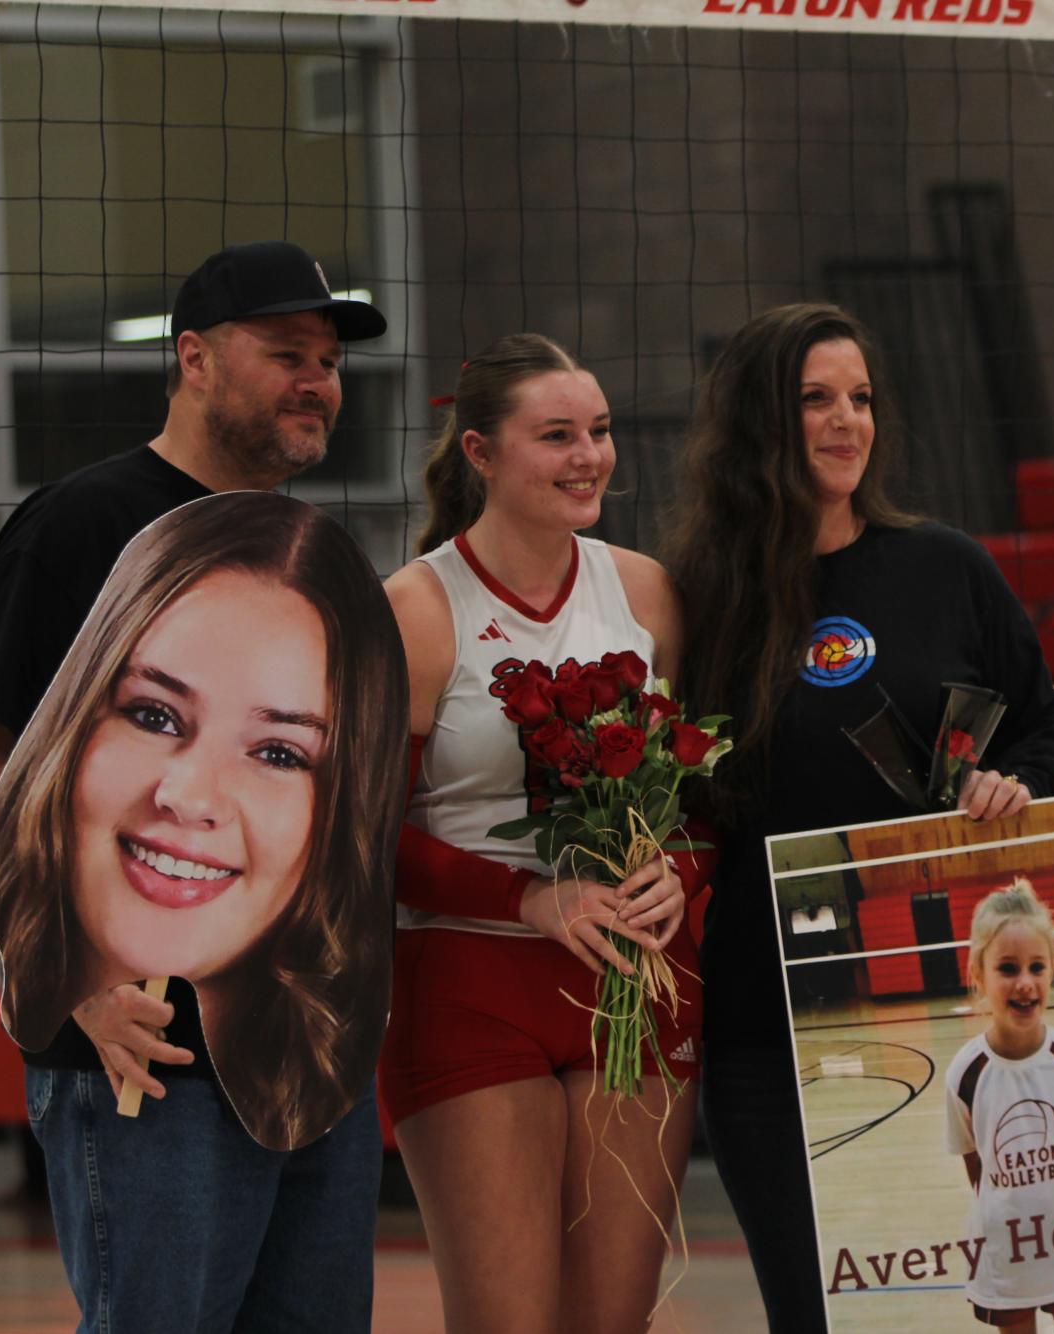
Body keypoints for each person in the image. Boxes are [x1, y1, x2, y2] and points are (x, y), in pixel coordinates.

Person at [0, 241, 392, 1331]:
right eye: (287, 352)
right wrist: (66, 965)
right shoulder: (82, 523)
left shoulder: (317, 555)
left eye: (328, 360)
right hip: (144, 1055)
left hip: (309, 1057)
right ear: (192, 358)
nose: (317, 381)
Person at [661, 301, 1054, 1331]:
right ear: (764, 418)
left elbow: (1044, 722)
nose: (846, 420)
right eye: (815, 399)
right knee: (824, 1317)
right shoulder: (701, 596)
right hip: (769, 1025)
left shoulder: (946, 567)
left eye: (860, 398)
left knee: (953, 1309)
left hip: (933, 1000)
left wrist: (1012, 782)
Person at [380, 333, 701, 1334]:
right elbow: (361, 835)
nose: (588, 455)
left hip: (632, 982)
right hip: (475, 980)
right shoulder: (416, 609)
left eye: (597, 432)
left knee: (613, 1322)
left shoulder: (645, 591)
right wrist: (524, 894)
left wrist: (682, 872)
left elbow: (692, 793)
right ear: (478, 452)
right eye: (556, 434)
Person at [0, 492, 404, 1152]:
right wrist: (77, 986)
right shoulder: (64, 530)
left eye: (278, 753)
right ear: (72, 726)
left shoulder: (323, 1068)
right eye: (153, 716)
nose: (189, 797)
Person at [944, 881, 1054, 1332]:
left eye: (1037, 966)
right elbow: (976, 1165)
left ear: (1053, 969)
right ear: (978, 974)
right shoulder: (965, 1074)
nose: (1025, 983)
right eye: (1007, 968)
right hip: (1002, 1250)